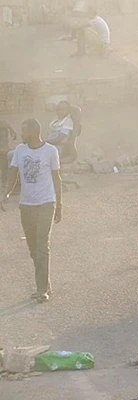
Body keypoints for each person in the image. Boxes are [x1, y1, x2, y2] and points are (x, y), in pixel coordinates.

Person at [2, 119, 62, 302]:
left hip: (46, 202)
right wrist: (6, 194)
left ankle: (41, 289)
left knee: (42, 246)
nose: (21, 134)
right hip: (26, 204)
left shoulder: (50, 151)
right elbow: (13, 173)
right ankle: (45, 283)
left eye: (24, 131)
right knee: (33, 248)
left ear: (35, 132)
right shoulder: (20, 150)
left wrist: (59, 205)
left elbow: (56, 178)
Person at [0, 120, 17, 190]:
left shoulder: (3, 125)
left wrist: (10, 128)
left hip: (3, 148)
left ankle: (5, 183)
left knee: (4, 163)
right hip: (3, 149)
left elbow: (6, 124)